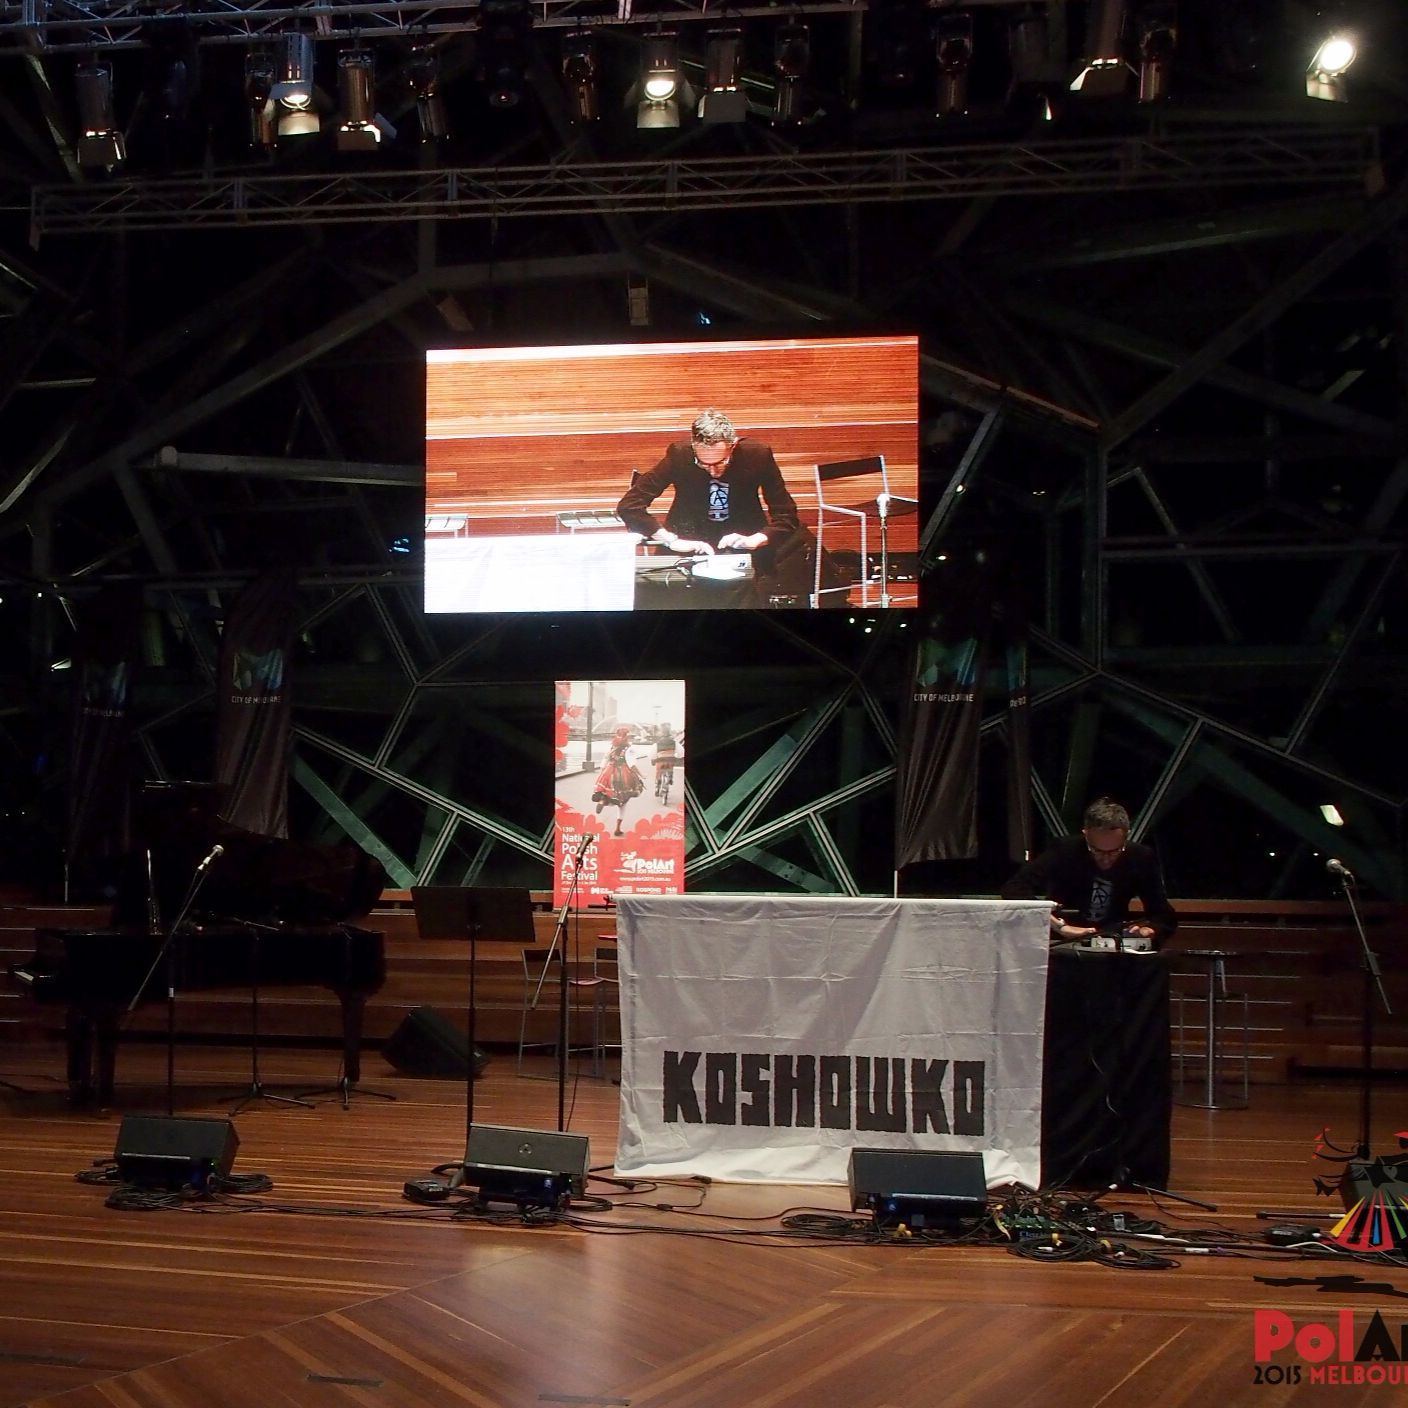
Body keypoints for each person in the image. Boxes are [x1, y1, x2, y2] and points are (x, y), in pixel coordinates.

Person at [616, 409, 810, 604]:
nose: (713, 472)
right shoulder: (679, 454)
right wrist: (671, 540)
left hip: (744, 549)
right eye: (703, 464)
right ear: (694, 447)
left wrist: (757, 539)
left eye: (720, 462)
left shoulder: (758, 455)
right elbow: (630, 506)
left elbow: (786, 515)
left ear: (733, 445)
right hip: (687, 548)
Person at [999, 796, 1178, 948]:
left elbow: (1162, 913)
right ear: (1085, 834)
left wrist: (1150, 930)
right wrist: (1057, 925)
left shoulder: (1140, 856)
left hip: (1111, 940)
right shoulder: (1065, 850)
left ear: (1126, 836)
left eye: (1115, 851)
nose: (1106, 859)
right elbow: (1014, 889)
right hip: (1062, 940)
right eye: (1097, 851)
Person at [591, 725, 645, 837]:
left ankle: (603, 802)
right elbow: (632, 765)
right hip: (623, 774)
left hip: (609, 771)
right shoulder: (629, 749)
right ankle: (617, 828)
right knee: (623, 801)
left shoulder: (612, 747)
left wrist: (603, 772)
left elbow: (604, 761)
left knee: (607, 794)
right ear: (627, 737)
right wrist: (641, 775)